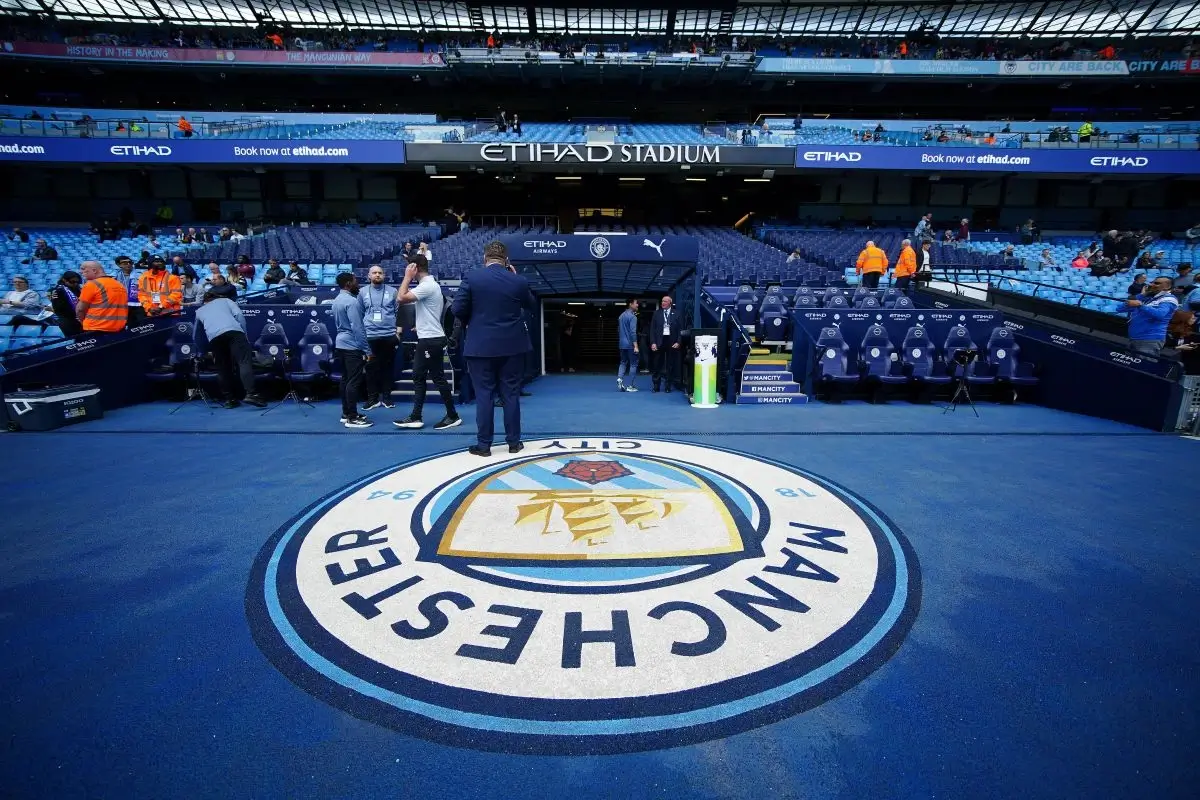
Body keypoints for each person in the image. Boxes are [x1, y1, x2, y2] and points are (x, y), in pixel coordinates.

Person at [451, 240, 536, 456]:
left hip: (480, 346)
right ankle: (514, 443)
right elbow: (531, 305)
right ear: (506, 260)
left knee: (484, 395)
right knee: (510, 394)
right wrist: (515, 277)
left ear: (484, 258)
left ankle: (484, 445)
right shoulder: (518, 280)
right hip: (513, 347)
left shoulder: (472, 277)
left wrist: (472, 318)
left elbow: (457, 308)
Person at [393, 254, 461, 430]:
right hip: (429, 337)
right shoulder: (430, 285)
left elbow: (401, 298)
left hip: (431, 340)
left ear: (414, 268)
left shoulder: (427, 286)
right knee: (419, 376)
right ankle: (417, 416)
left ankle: (452, 415)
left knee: (435, 377)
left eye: (409, 268)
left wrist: (407, 278)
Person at [193, 291, 266, 408]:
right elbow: (239, 316)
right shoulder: (226, 301)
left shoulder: (199, 311)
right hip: (234, 332)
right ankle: (251, 394)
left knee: (222, 368)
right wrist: (244, 334)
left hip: (214, 338)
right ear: (217, 297)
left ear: (204, 301)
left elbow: (196, 336)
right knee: (244, 362)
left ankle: (229, 399)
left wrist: (203, 351)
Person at [332, 272, 374, 428]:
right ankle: (352, 417)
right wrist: (367, 350)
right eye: (356, 281)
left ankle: (346, 413)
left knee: (345, 380)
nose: (358, 284)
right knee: (353, 381)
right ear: (349, 284)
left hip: (340, 344)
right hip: (352, 346)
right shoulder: (352, 302)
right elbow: (357, 328)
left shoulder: (336, 300)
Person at [359, 265, 399, 411]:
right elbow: (359, 313)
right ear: (369, 276)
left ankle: (387, 398)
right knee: (371, 369)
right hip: (370, 336)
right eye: (374, 273)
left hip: (389, 335)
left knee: (387, 368)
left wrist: (398, 334)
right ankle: (372, 399)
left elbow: (398, 312)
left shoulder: (393, 291)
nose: (377, 275)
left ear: (384, 275)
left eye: (380, 273)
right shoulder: (362, 292)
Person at [1124, 276, 1179, 356]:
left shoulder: (1169, 299)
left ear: (1168, 287)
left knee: (1144, 366)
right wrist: (1142, 295)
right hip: (1134, 338)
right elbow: (1120, 308)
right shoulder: (1148, 298)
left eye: (1156, 283)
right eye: (1152, 282)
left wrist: (1140, 306)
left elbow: (1160, 315)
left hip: (1149, 339)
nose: (1151, 284)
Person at [75, 260, 128, 334]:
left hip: (95, 328)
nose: (81, 272)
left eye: (83, 269)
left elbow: (80, 309)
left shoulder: (91, 284)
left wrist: (83, 322)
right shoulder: (119, 285)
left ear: (94, 270)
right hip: (119, 329)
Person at [650, 295, 683, 393]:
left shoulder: (677, 313)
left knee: (670, 364)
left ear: (670, 303)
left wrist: (678, 341)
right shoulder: (656, 313)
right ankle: (656, 385)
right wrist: (653, 342)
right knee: (657, 364)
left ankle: (668, 386)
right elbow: (652, 329)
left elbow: (681, 329)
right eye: (662, 301)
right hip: (660, 341)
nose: (662, 303)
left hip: (671, 341)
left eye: (665, 301)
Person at [45, 271, 83, 337]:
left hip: (78, 319)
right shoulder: (58, 291)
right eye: (72, 282)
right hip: (68, 321)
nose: (76, 284)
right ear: (64, 280)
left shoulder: (77, 289)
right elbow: (58, 309)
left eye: (78, 282)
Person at [616, 298, 640, 392]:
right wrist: (636, 346)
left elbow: (618, 330)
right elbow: (633, 333)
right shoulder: (633, 317)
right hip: (630, 344)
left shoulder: (621, 316)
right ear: (630, 304)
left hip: (622, 344)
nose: (637, 305)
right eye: (636, 303)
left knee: (623, 362)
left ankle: (619, 379)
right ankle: (630, 386)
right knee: (633, 364)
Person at [113, 255, 145, 324]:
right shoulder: (114, 276)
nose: (128, 264)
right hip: (122, 305)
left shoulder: (141, 274)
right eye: (124, 263)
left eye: (130, 262)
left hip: (138, 304)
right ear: (119, 265)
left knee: (142, 324)